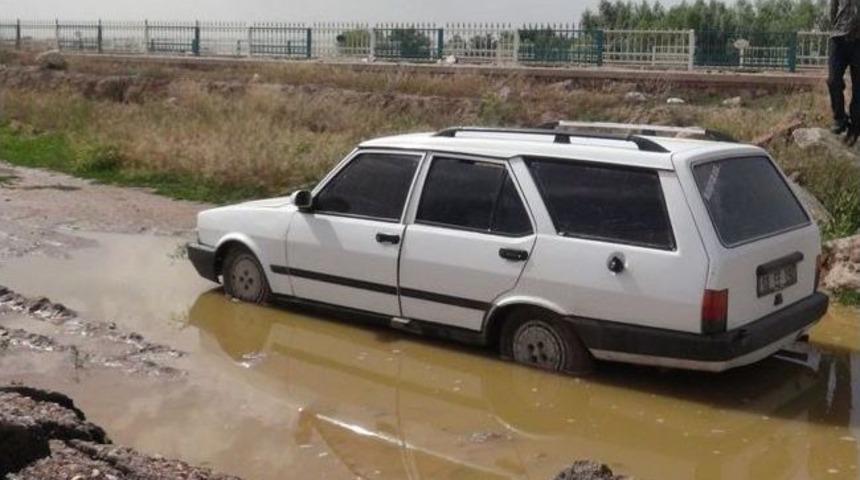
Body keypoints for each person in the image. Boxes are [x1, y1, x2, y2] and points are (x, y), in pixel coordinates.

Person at [828, 0, 860, 145]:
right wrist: (836, 26)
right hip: (839, 37)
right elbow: (833, 9)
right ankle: (840, 118)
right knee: (833, 79)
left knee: (858, 89)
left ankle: (855, 127)